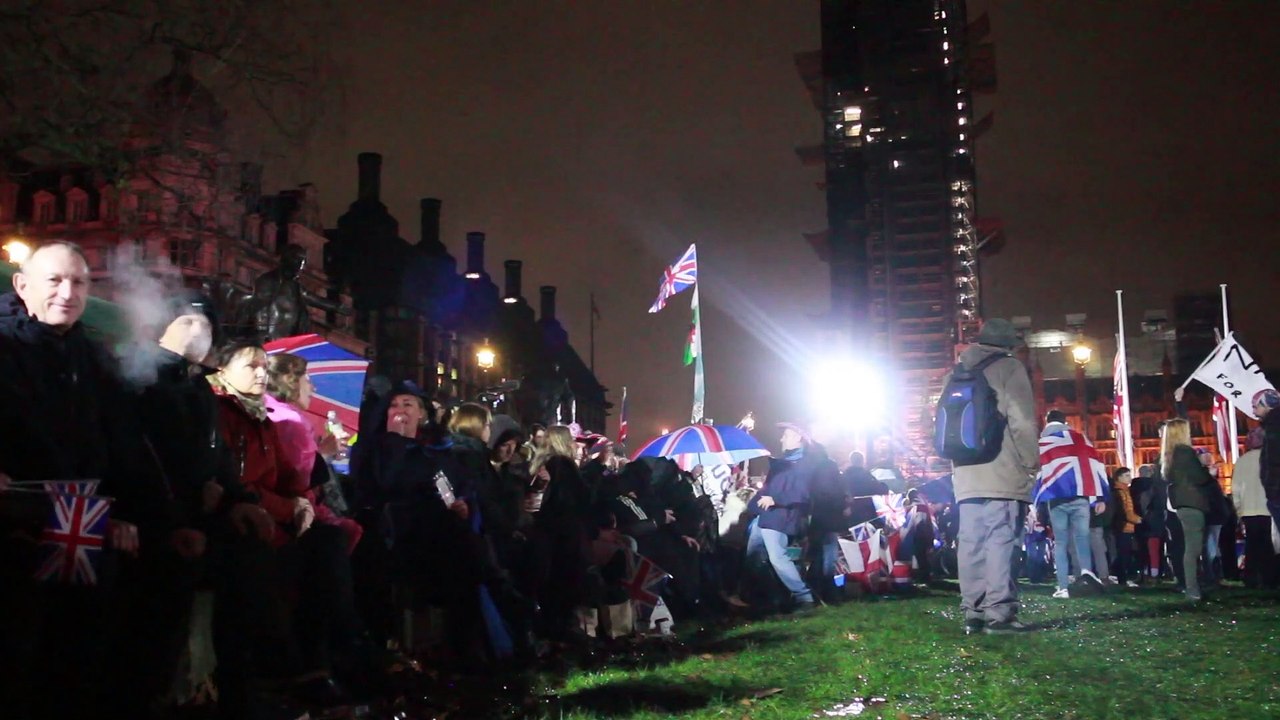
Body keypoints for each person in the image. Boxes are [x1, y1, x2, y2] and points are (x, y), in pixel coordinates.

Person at [0, 242, 160, 718]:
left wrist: (126, 513)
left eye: (78, 282)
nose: (67, 292)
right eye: (54, 280)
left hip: (82, 521)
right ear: (22, 286)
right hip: (12, 525)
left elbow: (122, 445)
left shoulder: (97, 359)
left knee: (77, 652)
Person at [948, 318, 1039, 634]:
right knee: (1001, 539)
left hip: (965, 471)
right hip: (1002, 468)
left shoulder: (958, 370)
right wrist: (1031, 462)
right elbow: (1023, 421)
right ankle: (999, 614)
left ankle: (972, 611)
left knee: (970, 540)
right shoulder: (1009, 368)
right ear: (1009, 345)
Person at [745, 423, 826, 612]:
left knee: (777, 558)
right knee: (754, 558)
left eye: (786, 435)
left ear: (799, 437)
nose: (781, 439)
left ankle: (803, 597)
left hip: (781, 517)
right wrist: (752, 507)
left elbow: (803, 494)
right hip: (766, 517)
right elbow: (767, 489)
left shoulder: (807, 464)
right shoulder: (782, 463)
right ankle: (768, 597)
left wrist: (776, 499)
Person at [1037, 410, 1107, 599]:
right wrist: (1100, 497)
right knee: (1082, 539)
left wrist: (1036, 500)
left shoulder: (1044, 441)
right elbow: (1096, 465)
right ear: (1065, 421)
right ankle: (1085, 577)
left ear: (1047, 421)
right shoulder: (1080, 438)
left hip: (1057, 497)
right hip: (1081, 497)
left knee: (1060, 542)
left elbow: (1038, 470)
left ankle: (1063, 587)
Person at [1161, 418, 1216, 602]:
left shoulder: (1170, 454)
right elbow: (1200, 478)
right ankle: (1192, 589)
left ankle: (1192, 587)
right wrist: (1208, 471)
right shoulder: (1185, 452)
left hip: (1183, 504)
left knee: (1191, 547)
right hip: (1193, 503)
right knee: (1193, 549)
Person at [1234, 427, 1276, 588]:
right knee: (1267, 546)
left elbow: (1236, 489)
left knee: (1252, 546)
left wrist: (1239, 510)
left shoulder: (1243, 461)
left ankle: (1251, 578)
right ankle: (1269, 579)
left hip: (1249, 510)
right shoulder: (1270, 459)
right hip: (1267, 508)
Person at [1253, 389, 1280, 544]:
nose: (1254, 411)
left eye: (1256, 406)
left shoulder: (1274, 426)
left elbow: (1274, 459)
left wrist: (1272, 491)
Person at [1111, 468, 1143, 588]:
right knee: (1123, 553)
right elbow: (1125, 510)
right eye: (1126, 475)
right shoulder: (1121, 492)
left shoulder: (1125, 491)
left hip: (1127, 526)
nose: (1129, 477)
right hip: (1124, 526)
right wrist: (1137, 520)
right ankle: (1122, 578)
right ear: (1119, 478)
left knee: (1125, 552)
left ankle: (1123, 577)